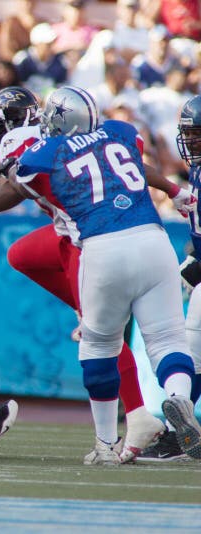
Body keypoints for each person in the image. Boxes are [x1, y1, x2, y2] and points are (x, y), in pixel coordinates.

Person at [0, 85, 190, 464]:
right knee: (21, 254)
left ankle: (134, 417)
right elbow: (133, 161)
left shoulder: (35, 145)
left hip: (85, 240)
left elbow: (20, 186)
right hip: (135, 235)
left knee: (99, 336)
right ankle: (88, 313)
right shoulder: (111, 133)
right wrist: (173, 189)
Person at [10, 86, 201, 464]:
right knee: (168, 341)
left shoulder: (50, 150)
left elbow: (20, 181)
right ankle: (178, 398)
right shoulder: (121, 132)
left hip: (103, 246)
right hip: (153, 237)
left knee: (98, 344)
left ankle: (105, 445)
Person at [140, 94, 201, 461]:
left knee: (193, 354)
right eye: (189, 134)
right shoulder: (196, 171)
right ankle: (183, 432)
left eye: (197, 134)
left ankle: (181, 433)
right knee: (192, 356)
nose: (190, 141)